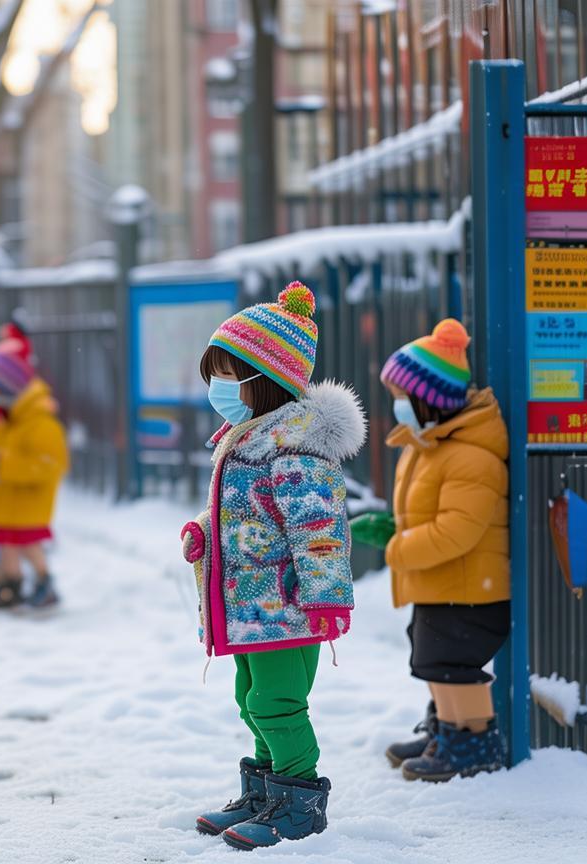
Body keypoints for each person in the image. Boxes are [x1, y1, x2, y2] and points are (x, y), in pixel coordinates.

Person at [181, 283, 365, 851]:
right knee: (250, 697)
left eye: (228, 376)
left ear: (263, 383)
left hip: (286, 607)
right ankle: (265, 789)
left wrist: (327, 599)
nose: (217, 390)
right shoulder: (248, 439)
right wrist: (205, 535)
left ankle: (298, 798)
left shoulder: (296, 450)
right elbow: (247, 517)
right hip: (252, 607)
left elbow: (320, 531)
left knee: (276, 701)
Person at [377, 319, 510, 782]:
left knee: (455, 666)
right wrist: (394, 528)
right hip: (443, 584)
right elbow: (425, 513)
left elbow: (458, 529)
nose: (396, 406)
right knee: (432, 659)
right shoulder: (431, 445)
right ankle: (446, 731)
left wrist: (398, 548)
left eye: (401, 395)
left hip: (470, 589)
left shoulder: (470, 455)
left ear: (428, 399)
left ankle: (473, 741)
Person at [0, 340, 69, 609]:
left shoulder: (40, 422)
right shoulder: (6, 419)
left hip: (26, 503)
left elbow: (47, 465)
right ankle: (9, 585)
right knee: (6, 545)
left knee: (27, 545)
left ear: (2, 387)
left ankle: (45, 583)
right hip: (6, 502)